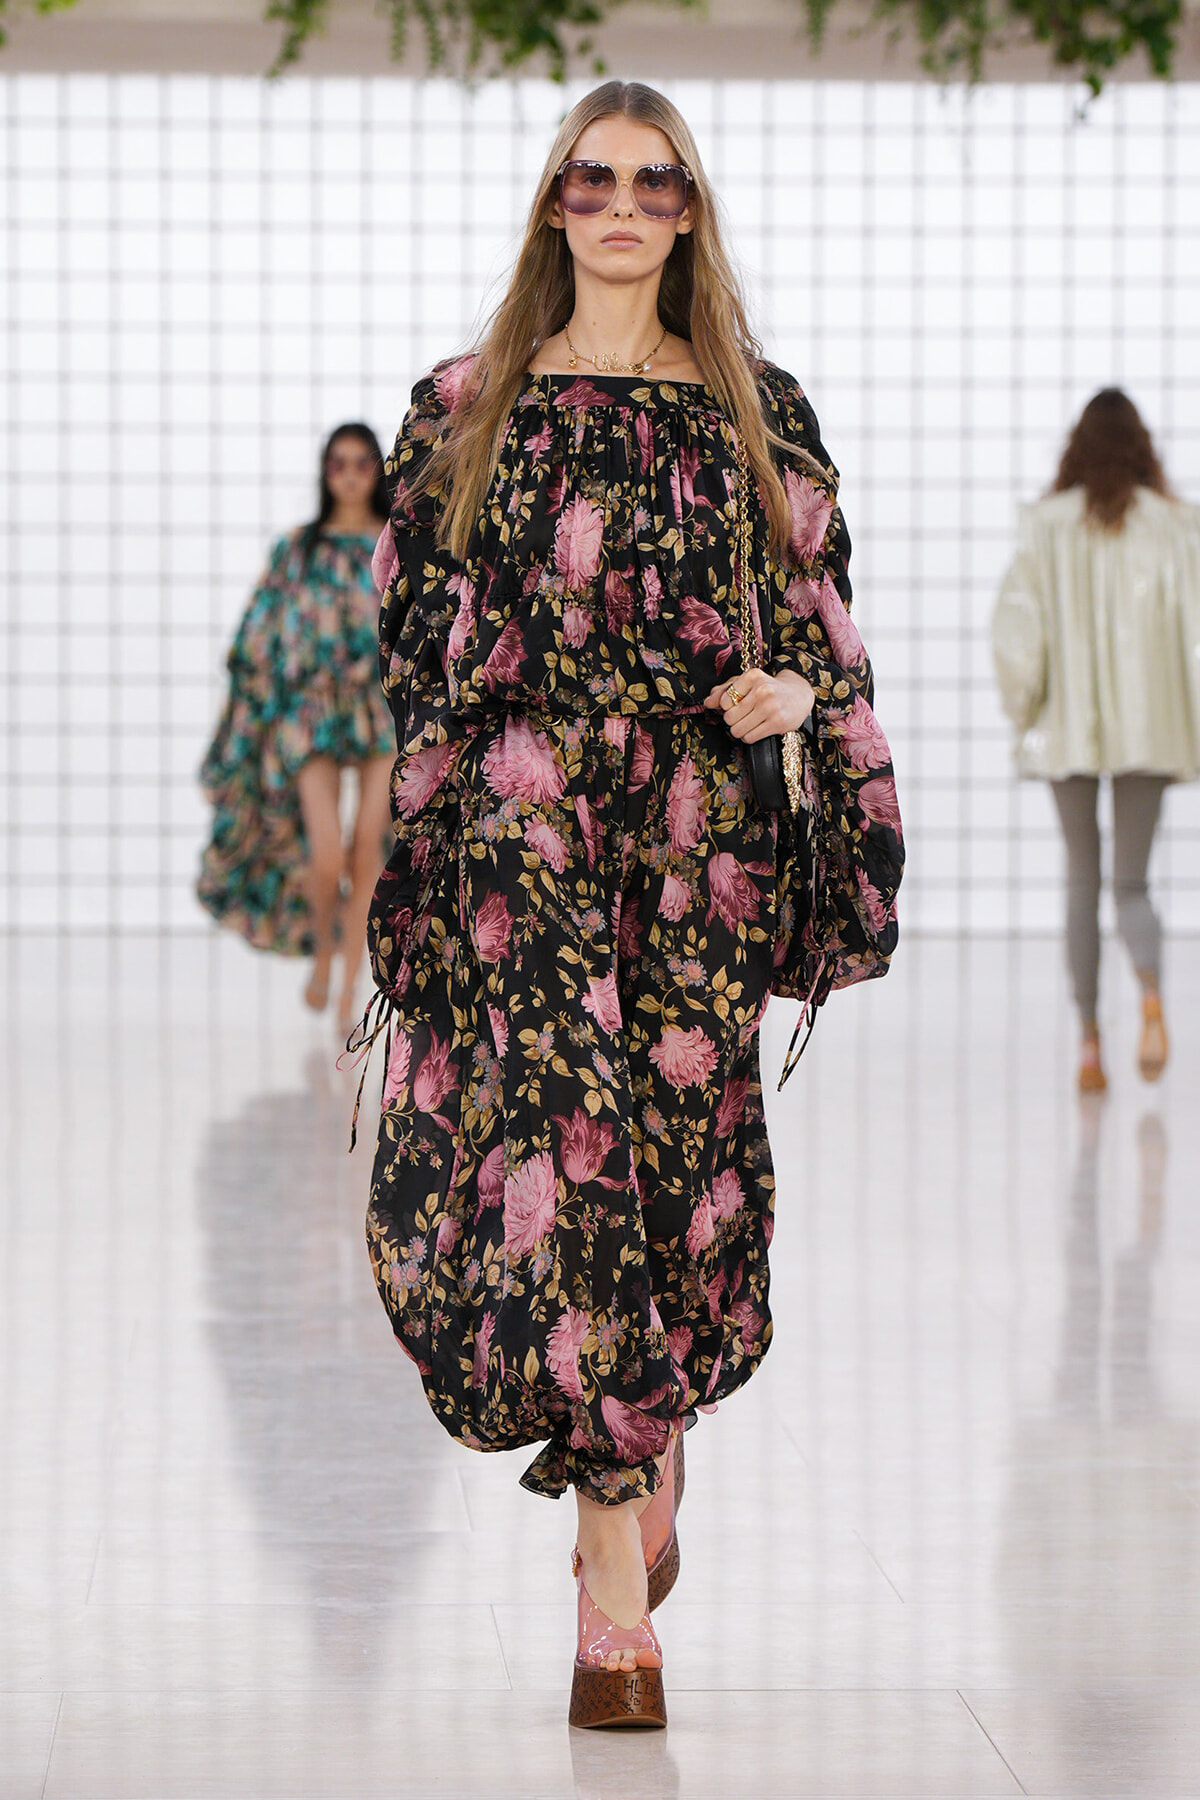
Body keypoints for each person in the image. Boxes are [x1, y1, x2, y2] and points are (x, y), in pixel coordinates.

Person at [358, 81, 903, 1729]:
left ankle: (640, 1436)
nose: (619, 203)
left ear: (689, 215)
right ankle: (615, 1607)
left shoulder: (762, 412)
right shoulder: (459, 411)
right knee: (560, 1169)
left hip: (690, 844)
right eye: (590, 176)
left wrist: (790, 704)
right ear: (551, 204)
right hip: (520, 850)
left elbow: (822, 629)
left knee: (679, 1175)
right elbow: (405, 639)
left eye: (655, 183)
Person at [992, 389, 1200, 1094]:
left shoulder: (1047, 526)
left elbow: (1018, 635)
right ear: (1142, 447)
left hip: (1068, 728)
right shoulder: (1177, 526)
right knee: (1133, 882)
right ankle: (1149, 995)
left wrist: (1025, 712)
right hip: (1153, 727)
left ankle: (1088, 1042)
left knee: (1084, 879)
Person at [197, 424, 395, 1033]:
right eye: (340, 463)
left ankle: (348, 986)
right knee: (325, 850)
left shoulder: (398, 545)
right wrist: (257, 705)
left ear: (379, 470)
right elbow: (261, 633)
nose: (353, 474)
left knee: (369, 847)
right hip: (311, 711)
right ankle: (324, 949)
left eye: (364, 462)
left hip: (379, 707)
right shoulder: (297, 550)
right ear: (325, 471)